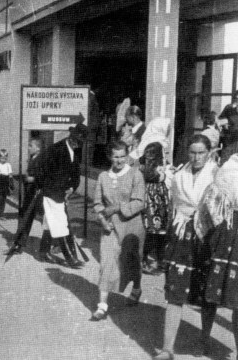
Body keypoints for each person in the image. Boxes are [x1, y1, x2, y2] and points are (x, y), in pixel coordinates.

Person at [153, 134, 218, 360]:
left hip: (208, 236)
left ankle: (204, 340)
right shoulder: (180, 175)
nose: (196, 157)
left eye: (201, 153)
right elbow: (174, 203)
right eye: (193, 152)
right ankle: (167, 348)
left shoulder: (217, 174)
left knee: (206, 292)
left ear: (209, 152)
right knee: (176, 290)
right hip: (182, 234)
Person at [90, 141, 146, 321]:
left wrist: (115, 208)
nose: (119, 160)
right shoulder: (103, 177)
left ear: (127, 156)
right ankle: (102, 305)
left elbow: (139, 202)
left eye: (123, 156)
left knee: (132, 262)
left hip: (132, 227)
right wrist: (102, 220)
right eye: (116, 157)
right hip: (110, 227)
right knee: (107, 262)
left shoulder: (136, 174)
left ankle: (136, 288)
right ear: (110, 157)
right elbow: (97, 203)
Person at [197, 154, 238, 359]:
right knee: (212, 288)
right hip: (225, 233)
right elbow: (211, 201)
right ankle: (204, 339)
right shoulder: (230, 167)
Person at [36, 124, 88, 268]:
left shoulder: (74, 152)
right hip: (51, 192)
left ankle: (43, 252)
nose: (77, 144)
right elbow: (41, 169)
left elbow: (76, 174)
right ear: (71, 137)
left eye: (80, 142)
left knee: (50, 222)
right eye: (76, 140)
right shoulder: (56, 149)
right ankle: (70, 258)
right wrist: (49, 189)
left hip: (61, 193)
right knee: (60, 224)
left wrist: (71, 188)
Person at [6, 138, 43, 256]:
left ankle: (58, 243)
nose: (28, 148)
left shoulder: (41, 160)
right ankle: (20, 244)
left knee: (45, 220)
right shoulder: (32, 158)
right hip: (30, 193)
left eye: (31, 145)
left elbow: (45, 176)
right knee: (25, 217)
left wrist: (33, 179)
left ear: (38, 148)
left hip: (37, 194)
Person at [140, 142, 172, 275]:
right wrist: (165, 173)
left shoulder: (147, 165)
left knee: (158, 232)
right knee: (153, 232)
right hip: (153, 202)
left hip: (158, 202)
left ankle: (158, 259)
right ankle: (146, 259)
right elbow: (157, 177)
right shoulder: (148, 168)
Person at [219, 90, 238, 165]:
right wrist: (225, 124)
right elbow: (220, 119)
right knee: (225, 163)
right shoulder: (229, 108)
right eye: (236, 98)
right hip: (229, 141)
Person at [0, 149, 13, 219]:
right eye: (2, 158)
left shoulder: (8, 165)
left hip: (6, 182)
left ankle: (2, 213)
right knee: (0, 198)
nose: (3, 160)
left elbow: (10, 175)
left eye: (5, 158)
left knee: (4, 198)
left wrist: (11, 183)